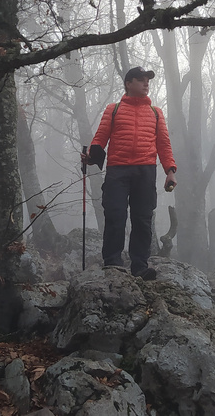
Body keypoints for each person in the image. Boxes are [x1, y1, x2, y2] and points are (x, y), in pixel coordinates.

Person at [83, 66, 177, 280]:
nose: (146, 83)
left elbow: (164, 144)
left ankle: (140, 266)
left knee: (143, 219)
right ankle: (113, 263)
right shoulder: (113, 109)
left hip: (146, 171)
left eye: (148, 80)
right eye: (141, 79)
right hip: (117, 170)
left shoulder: (155, 112)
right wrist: (91, 156)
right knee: (115, 215)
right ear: (128, 83)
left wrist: (170, 171)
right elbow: (100, 138)